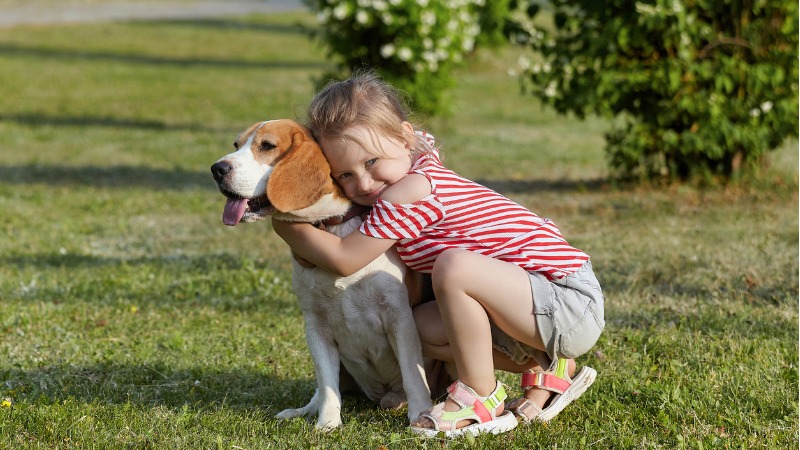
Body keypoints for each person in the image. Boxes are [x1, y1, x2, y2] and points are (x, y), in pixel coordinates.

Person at [271, 71, 605, 438]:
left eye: (370, 163)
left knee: (453, 265)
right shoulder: (411, 159)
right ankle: (549, 367)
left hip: (566, 299)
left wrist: (284, 220)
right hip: (526, 303)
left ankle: (481, 397)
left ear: (404, 136)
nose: (363, 184)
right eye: (345, 175)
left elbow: (345, 259)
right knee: (422, 328)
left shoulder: (409, 192)